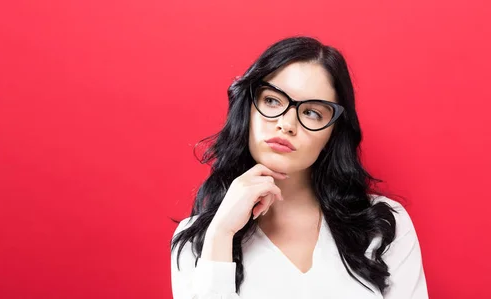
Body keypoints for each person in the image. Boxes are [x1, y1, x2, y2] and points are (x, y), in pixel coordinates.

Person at [170, 36, 428, 299]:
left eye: (312, 113)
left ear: (332, 133)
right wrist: (221, 233)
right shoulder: (200, 239)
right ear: (247, 108)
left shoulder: (382, 226)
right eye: (272, 100)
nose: (286, 123)